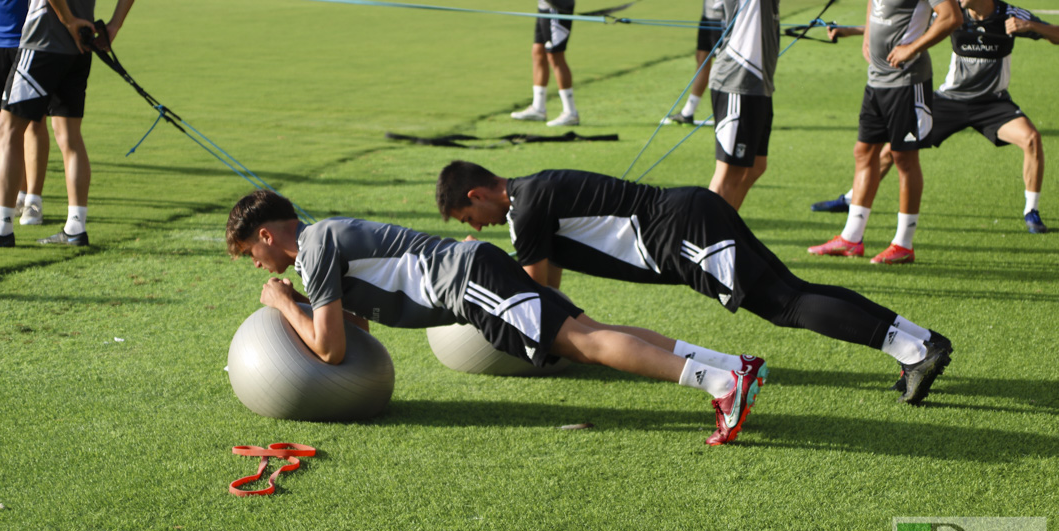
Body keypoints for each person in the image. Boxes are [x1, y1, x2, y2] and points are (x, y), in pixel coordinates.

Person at [227, 190, 768, 446]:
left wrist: (279, 304)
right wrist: (302, 303)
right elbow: (356, 335)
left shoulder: (316, 246)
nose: (256, 263)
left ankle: (722, 383)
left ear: (269, 235)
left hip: (469, 283)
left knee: (585, 345)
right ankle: (734, 365)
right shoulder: (323, 242)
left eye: (252, 251)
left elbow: (331, 352)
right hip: (474, 271)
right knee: (592, 332)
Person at [436, 161, 954, 404]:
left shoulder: (525, 209)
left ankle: (913, 350)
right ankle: (919, 340)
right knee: (792, 290)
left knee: (787, 306)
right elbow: (548, 283)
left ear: (479, 194)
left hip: (683, 232)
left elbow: (535, 292)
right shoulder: (531, 193)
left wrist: (484, 273)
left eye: (468, 218)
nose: (474, 228)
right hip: (690, 211)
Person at [810, 0, 1059, 235]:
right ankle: (850, 198)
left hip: (993, 103)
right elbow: (909, 29)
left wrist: (1032, 26)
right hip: (950, 100)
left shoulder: (1010, 15)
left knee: (1032, 139)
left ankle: (1031, 211)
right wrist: (850, 31)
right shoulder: (955, 15)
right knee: (893, 150)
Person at [0, 0, 136, 249]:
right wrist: (113, 26)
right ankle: (75, 227)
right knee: (69, 136)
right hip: (79, 45)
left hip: (43, 41)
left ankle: (1, 227)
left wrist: (68, 19)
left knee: (6, 130)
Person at [806, 0, 962, 264]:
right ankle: (851, 238)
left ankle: (903, 244)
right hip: (876, 80)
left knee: (904, 159)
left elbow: (951, 17)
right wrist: (867, 33)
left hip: (908, 81)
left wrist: (912, 48)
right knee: (864, 152)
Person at [0, 0, 50, 228]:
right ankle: (18, 196)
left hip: (30, 39)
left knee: (35, 121)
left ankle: (34, 202)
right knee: (5, 123)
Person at [705, 0, 779, 211]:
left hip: (757, 82)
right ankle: (709, 239)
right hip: (739, 79)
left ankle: (727, 230)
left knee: (755, 167)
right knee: (729, 171)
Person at [510, 1, 580, 127]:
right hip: (545, 5)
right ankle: (538, 108)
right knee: (538, 51)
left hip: (557, 5)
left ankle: (571, 113)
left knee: (555, 55)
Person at [663, 0, 723, 127]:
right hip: (708, 14)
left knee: (724, 64)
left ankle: (726, 112)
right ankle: (688, 112)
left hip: (722, 17)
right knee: (702, 57)